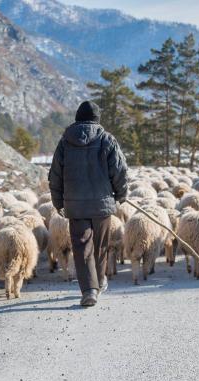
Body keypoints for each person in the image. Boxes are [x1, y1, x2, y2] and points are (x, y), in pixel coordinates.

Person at [49, 101, 128, 307]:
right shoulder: (107, 139)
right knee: (100, 247)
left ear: (77, 118)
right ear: (97, 119)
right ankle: (99, 282)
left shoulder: (65, 141)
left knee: (82, 247)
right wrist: (121, 194)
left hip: (75, 205)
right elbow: (119, 170)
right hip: (101, 204)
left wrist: (58, 201)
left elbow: (55, 174)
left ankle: (89, 290)